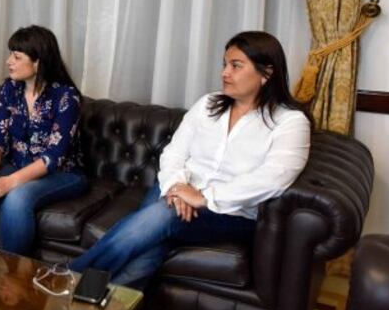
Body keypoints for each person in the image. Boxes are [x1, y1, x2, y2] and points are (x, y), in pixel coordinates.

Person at [69, 31, 312, 287]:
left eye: (236, 66)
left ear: (267, 73)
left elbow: (272, 179)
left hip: (231, 212)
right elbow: (174, 152)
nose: (224, 73)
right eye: (225, 64)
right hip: (176, 188)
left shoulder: (289, 122)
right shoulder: (208, 104)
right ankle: (101, 306)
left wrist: (204, 198)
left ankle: (71, 276)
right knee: (153, 238)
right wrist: (177, 188)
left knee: (161, 216)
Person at [0, 25, 88, 256]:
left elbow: (53, 157)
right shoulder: (10, 89)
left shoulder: (66, 96)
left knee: (17, 199)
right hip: (17, 163)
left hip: (63, 173)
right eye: (10, 54)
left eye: (17, 57)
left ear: (38, 62)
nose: (9, 61)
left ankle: (14, 276)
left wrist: (9, 182)